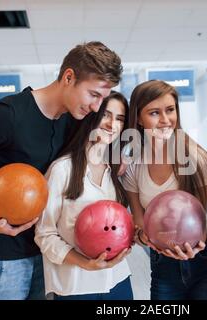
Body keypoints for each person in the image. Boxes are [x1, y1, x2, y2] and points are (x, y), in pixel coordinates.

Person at [0, 41, 123, 300]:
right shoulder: (5, 115)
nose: (97, 107)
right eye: (94, 94)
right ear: (68, 77)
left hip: (44, 251)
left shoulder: (72, 121)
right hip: (0, 255)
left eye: (103, 97)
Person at [122, 80, 207, 300]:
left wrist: (191, 244)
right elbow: (139, 225)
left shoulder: (195, 158)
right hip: (163, 262)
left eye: (170, 110)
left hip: (204, 256)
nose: (165, 120)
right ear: (139, 120)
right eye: (154, 113)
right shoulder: (134, 166)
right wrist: (146, 238)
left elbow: (197, 222)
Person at [34, 91, 133, 300]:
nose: (112, 124)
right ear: (91, 115)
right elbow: (45, 234)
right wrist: (84, 262)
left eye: (120, 119)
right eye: (106, 115)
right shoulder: (61, 170)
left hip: (118, 279)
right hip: (77, 285)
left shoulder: (115, 171)